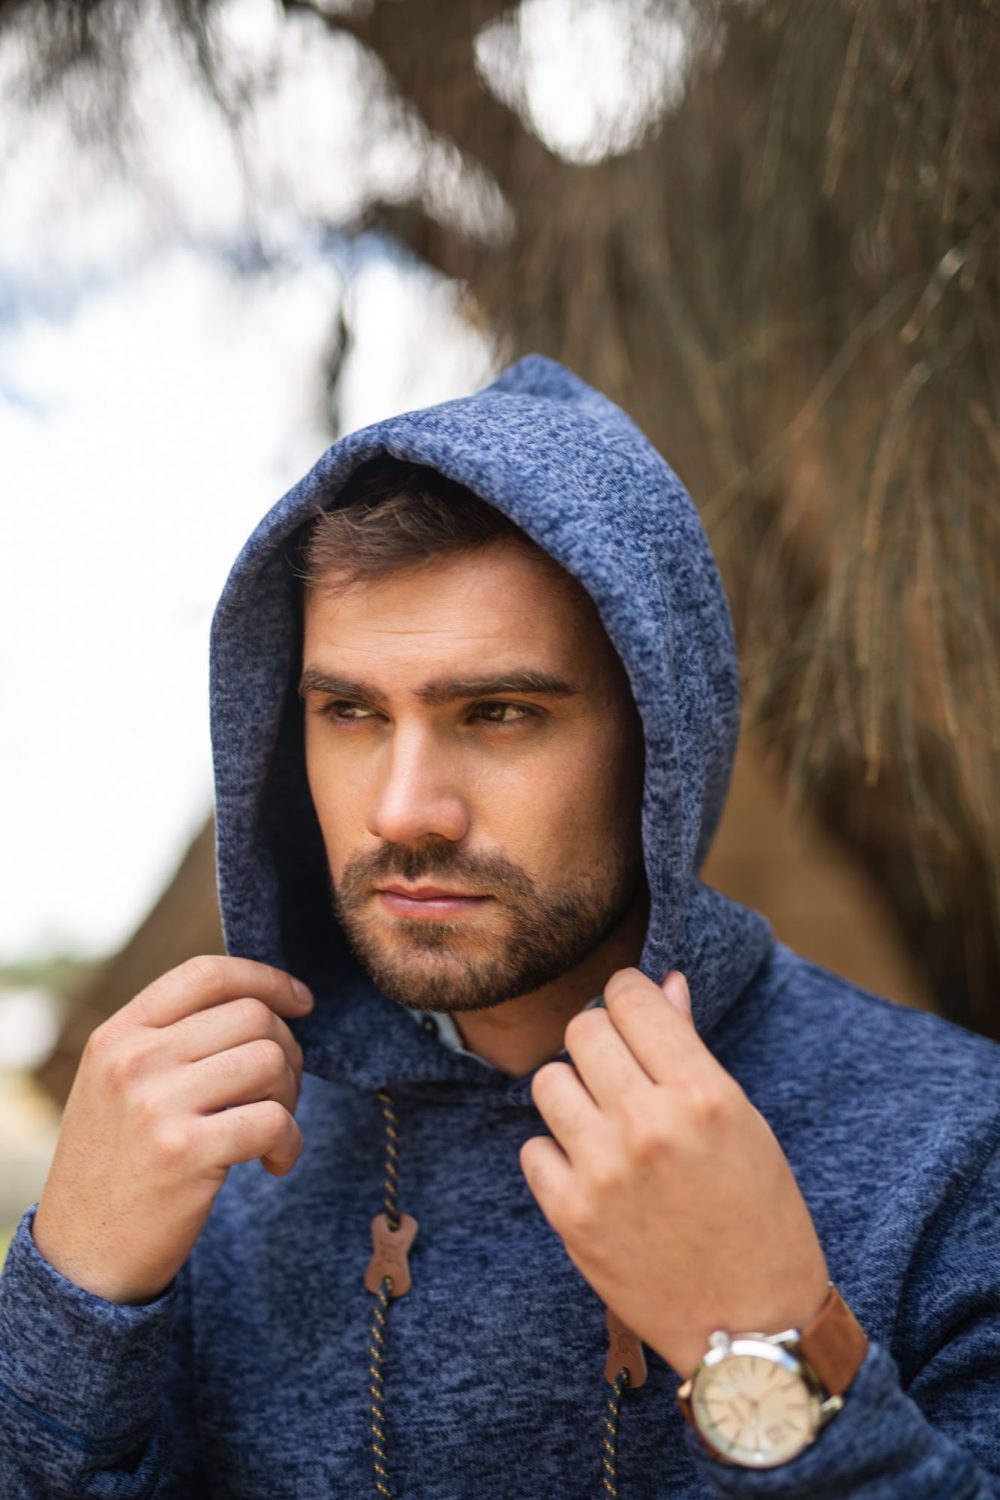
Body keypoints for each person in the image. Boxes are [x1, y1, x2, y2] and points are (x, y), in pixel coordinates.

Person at [0, 355, 997, 1499]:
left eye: (500, 712)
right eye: (350, 712)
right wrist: (71, 1294)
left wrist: (763, 1345)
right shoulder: (207, 1149)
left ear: (660, 742)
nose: (402, 811)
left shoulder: (954, 1149)